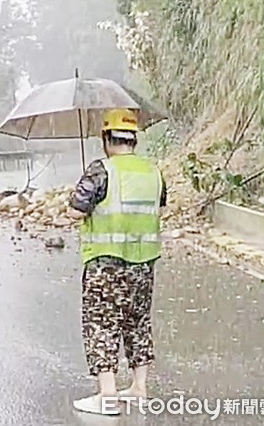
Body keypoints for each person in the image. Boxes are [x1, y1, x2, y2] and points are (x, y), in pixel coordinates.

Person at [67, 108, 167, 415]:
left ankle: (107, 396)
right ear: (133, 139)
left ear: (106, 139)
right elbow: (159, 208)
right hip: (143, 264)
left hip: (105, 265)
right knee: (137, 322)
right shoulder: (153, 171)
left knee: (101, 324)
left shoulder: (100, 170)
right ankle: (139, 388)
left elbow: (75, 210)